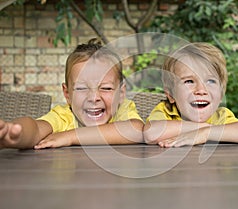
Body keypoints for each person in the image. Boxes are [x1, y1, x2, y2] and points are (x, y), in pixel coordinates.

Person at [0, 38, 144, 149]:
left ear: (121, 93)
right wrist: (14, 133)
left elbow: (137, 130)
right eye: (81, 88)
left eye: (106, 88)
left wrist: (71, 137)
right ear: (67, 93)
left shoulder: (122, 111)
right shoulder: (64, 116)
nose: (94, 98)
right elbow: (36, 129)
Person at [143, 42, 238, 147]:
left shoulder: (221, 116)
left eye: (210, 81)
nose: (201, 90)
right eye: (189, 81)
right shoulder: (166, 111)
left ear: (221, 93)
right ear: (171, 94)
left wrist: (206, 134)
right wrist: (207, 128)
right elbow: (151, 133)